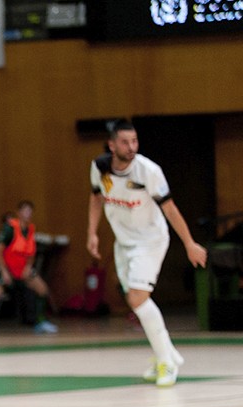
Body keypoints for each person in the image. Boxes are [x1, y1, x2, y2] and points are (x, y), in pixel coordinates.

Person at [87, 119, 207, 387]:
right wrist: (92, 233)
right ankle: (166, 353)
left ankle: (166, 360)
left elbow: (170, 209)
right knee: (134, 300)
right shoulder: (99, 167)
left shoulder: (148, 171)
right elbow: (96, 198)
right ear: (112, 144)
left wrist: (189, 243)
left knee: (138, 296)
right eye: (125, 142)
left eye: (135, 141)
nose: (131, 147)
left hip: (150, 240)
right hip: (124, 242)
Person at [0, 200, 58, 335]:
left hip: (22, 269)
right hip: (6, 268)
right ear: (19, 213)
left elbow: (31, 252)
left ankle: (41, 322)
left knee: (42, 289)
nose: (28, 214)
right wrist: (4, 271)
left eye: (30, 211)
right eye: (25, 211)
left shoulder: (31, 229)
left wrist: (28, 267)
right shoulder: (10, 229)